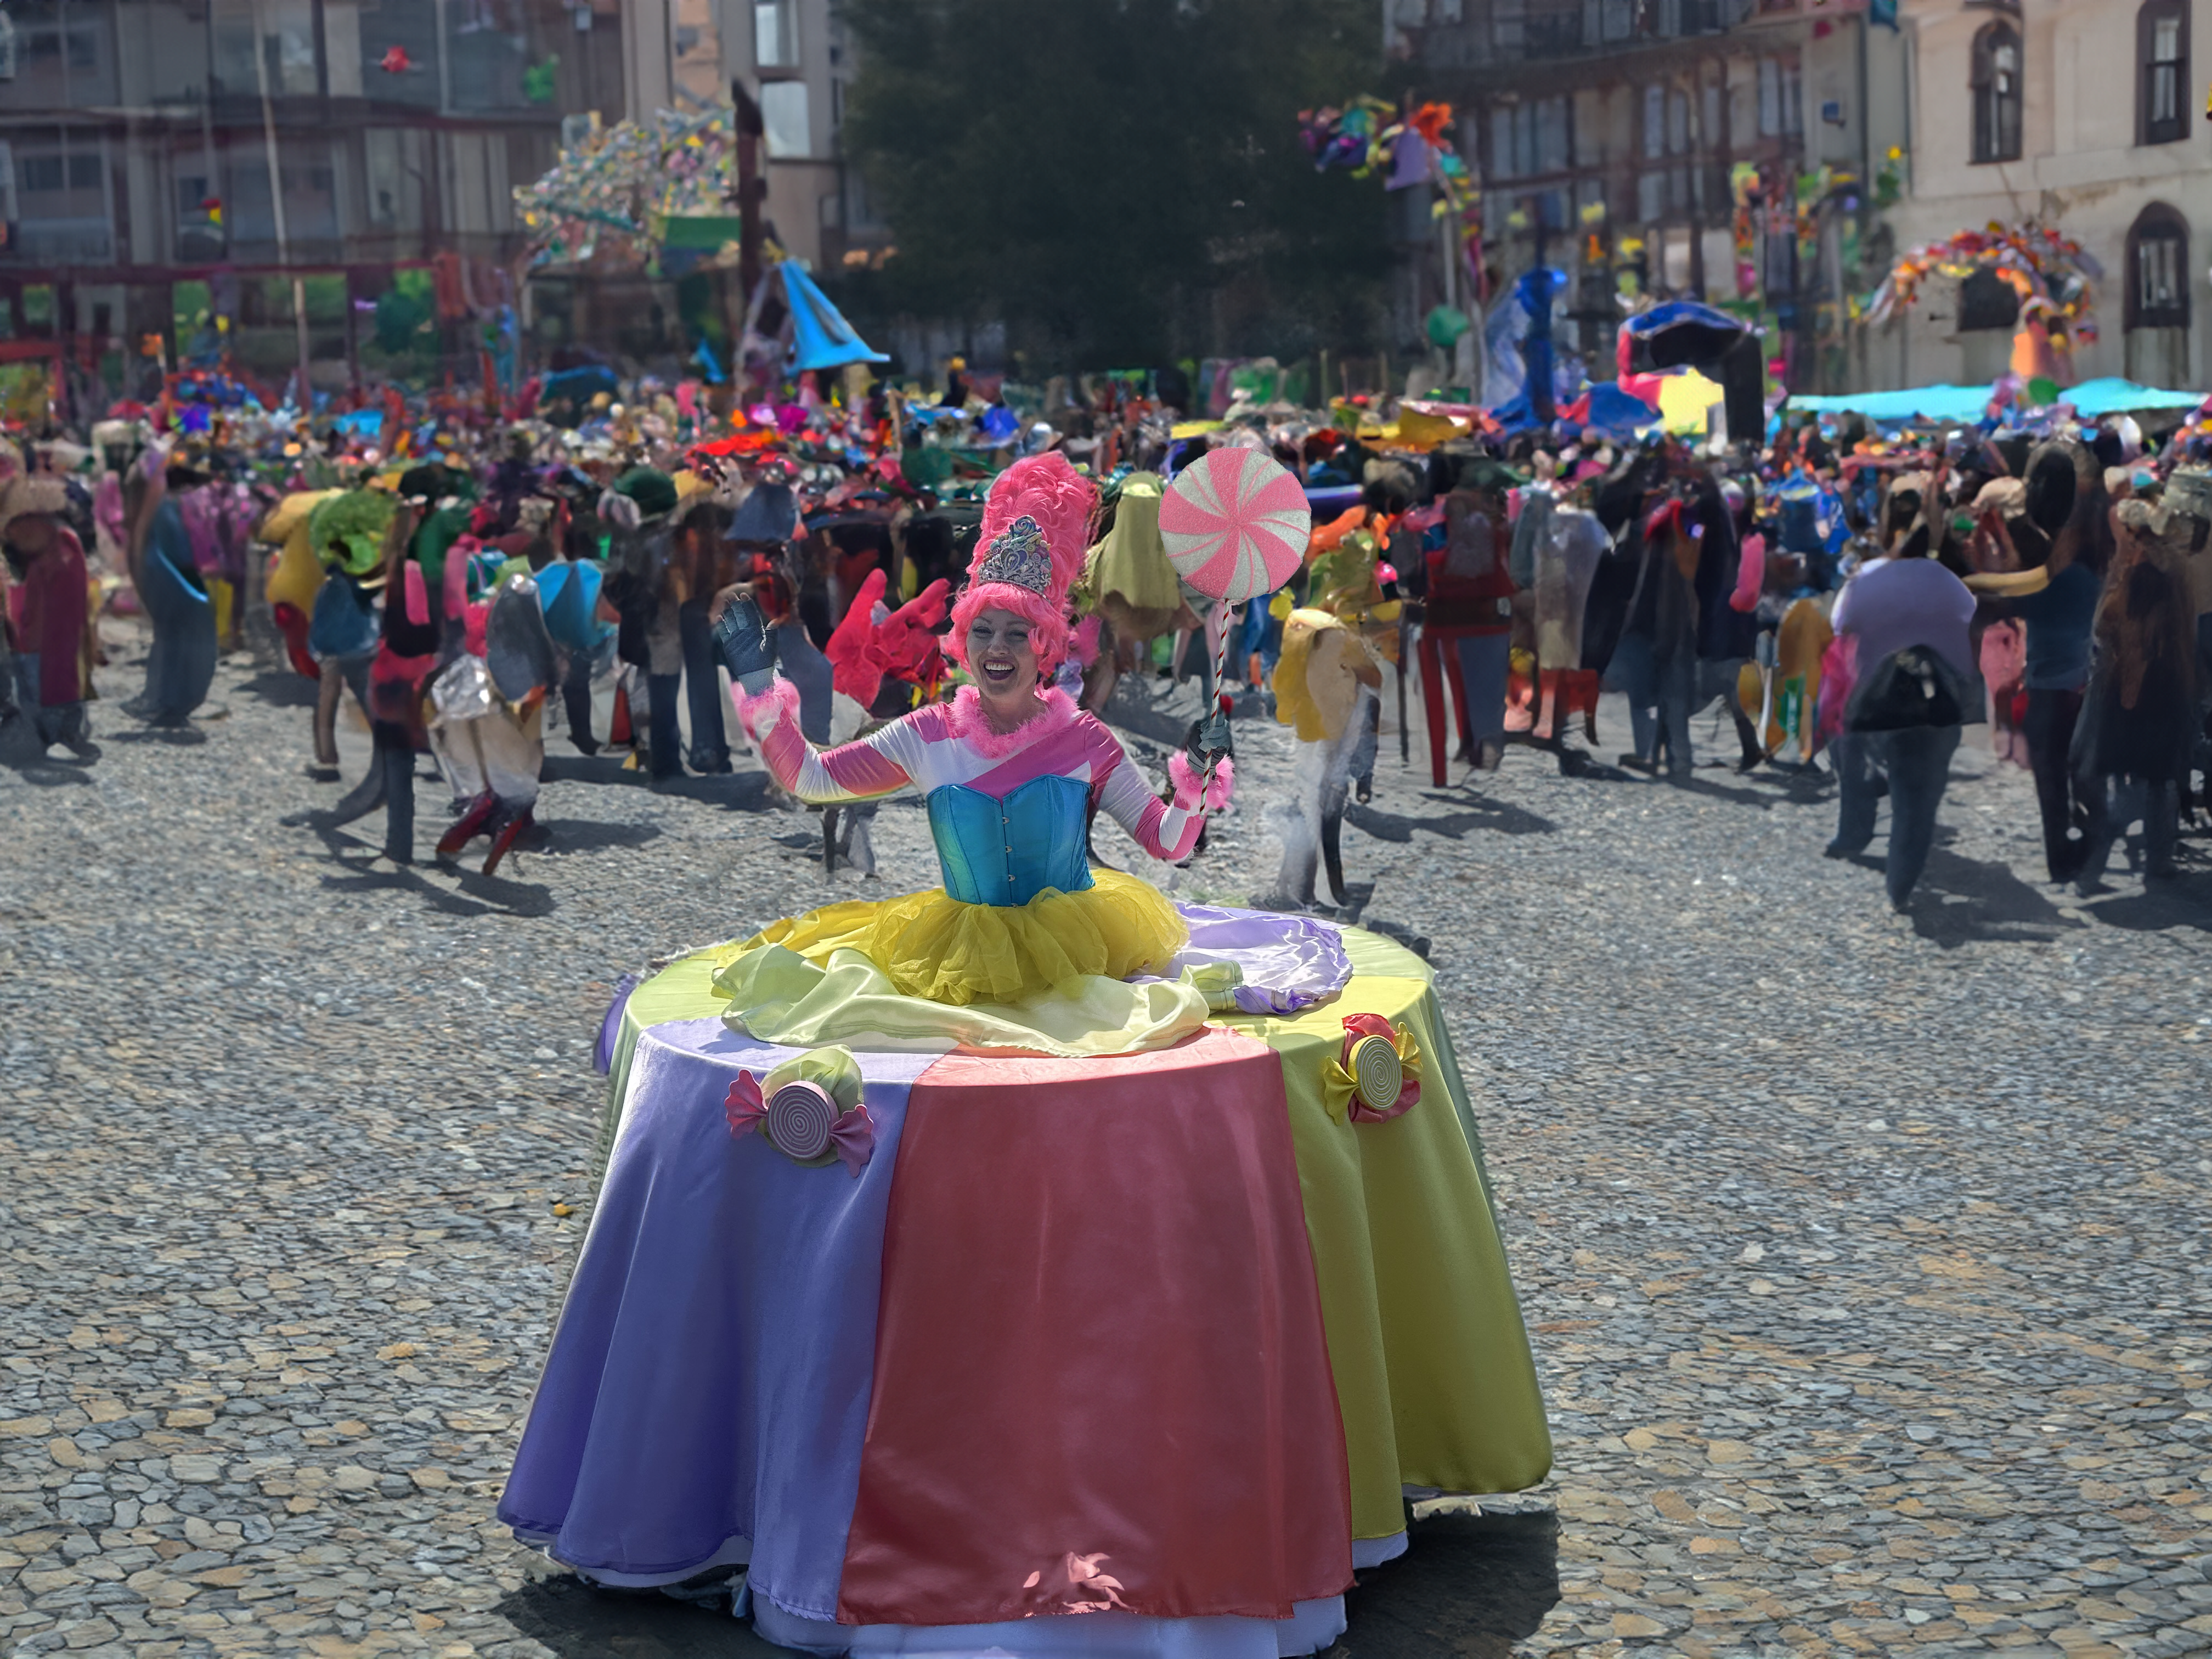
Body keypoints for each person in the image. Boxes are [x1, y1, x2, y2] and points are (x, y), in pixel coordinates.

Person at [713, 453, 1227, 1004]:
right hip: (963, 963)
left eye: (1017, 632)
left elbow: (1167, 843)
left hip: (1079, 960)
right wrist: (763, 695)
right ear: (963, 642)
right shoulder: (925, 733)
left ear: (1046, 645)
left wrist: (1196, 778)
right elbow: (812, 780)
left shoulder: (1086, 739)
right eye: (982, 631)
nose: (997, 648)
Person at [1828, 532, 1977, 910]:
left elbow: (1841, 625)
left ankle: (1862, 820)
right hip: (1936, 702)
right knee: (1919, 803)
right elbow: (1970, 617)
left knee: (1859, 761)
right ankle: (1900, 886)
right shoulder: (1949, 582)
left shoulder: (1868, 581)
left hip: (1880, 699)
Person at [2072, 498, 2198, 889]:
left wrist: (2127, 696)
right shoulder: (2162, 571)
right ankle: (2156, 861)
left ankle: (2093, 867)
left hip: (2132, 690)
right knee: (2157, 780)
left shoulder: (2143, 577)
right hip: (2161, 687)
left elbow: (2138, 642)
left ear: (2135, 533)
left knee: (2120, 781)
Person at [0, 471, 97, 759]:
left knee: (49, 674)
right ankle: (56, 732)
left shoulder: (59, 544)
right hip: (41, 629)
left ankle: (57, 733)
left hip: (46, 630)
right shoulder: (58, 541)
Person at [124, 451, 218, 727]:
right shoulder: (173, 509)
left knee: (169, 640)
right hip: (176, 582)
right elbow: (182, 553)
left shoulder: (161, 508)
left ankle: (164, 701)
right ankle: (169, 702)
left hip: (162, 578)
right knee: (183, 642)